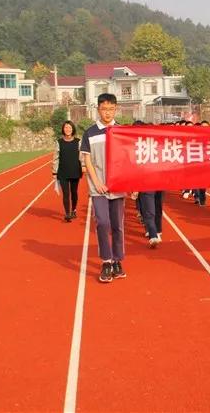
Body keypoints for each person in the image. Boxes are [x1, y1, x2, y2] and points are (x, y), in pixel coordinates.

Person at [81, 93, 127, 283]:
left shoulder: (121, 131)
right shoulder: (90, 133)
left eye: (111, 109)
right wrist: (97, 182)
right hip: (98, 187)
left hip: (117, 186)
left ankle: (117, 260)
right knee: (103, 223)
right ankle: (106, 261)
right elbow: (87, 160)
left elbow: (127, 159)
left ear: (115, 109)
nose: (107, 113)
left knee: (117, 225)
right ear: (98, 109)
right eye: (103, 109)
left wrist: (129, 183)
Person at [52, 120, 83, 222]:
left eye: (69, 127)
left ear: (72, 129)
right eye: (65, 128)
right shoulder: (59, 142)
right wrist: (54, 172)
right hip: (63, 172)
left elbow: (81, 156)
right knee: (66, 194)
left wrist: (83, 166)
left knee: (74, 192)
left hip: (75, 171)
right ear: (63, 129)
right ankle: (67, 213)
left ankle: (73, 210)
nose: (67, 129)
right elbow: (55, 158)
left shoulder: (78, 141)